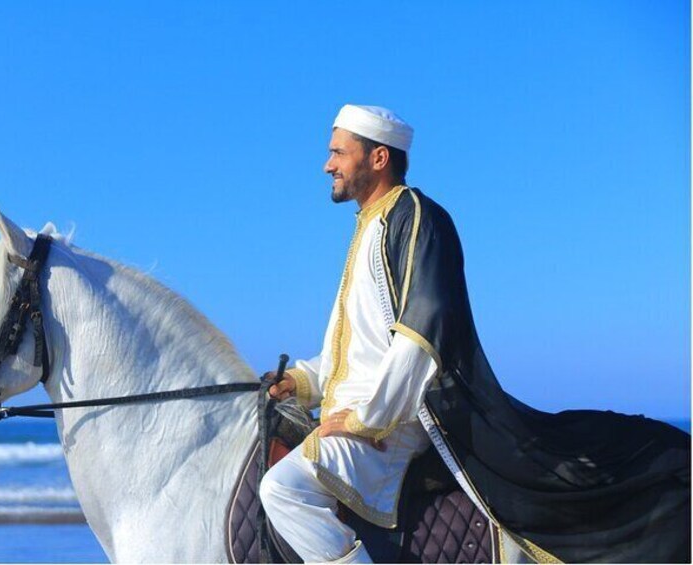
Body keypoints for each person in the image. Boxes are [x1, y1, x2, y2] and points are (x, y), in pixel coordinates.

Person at [259, 104, 690, 564]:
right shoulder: (368, 229)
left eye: (338, 153)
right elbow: (347, 352)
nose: (328, 165)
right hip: (361, 414)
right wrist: (302, 382)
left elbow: (419, 340)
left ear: (378, 158)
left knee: (282, 489)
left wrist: (368, 418)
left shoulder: (416, 217)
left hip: (395, 423)